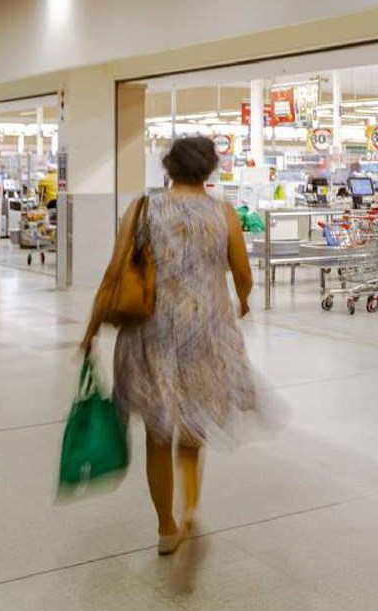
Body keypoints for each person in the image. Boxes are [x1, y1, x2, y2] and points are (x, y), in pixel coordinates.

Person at [83, 136, 256, 555]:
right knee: (193, 429)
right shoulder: (223, 214)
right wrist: (244, 301)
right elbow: (243, 273)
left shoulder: (143, 208)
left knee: (158, 433)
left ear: (169, 167)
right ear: (210, 169)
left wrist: (91, 328)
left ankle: (166, 527)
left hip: (150, 332)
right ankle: (190, 506)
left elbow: (114, 270)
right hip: (206, 333)